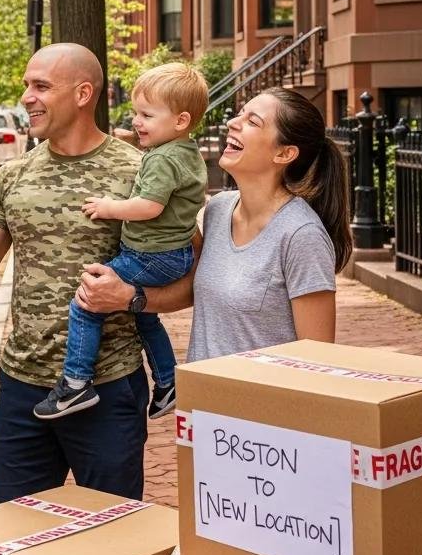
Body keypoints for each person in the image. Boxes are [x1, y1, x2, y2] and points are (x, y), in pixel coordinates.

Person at [0, 42, 159, 503]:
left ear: (83, 93)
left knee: (112, 538)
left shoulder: (140, 176)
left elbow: (187, 275)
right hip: (22, 390)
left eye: (41, 86)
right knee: (16, 542)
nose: (27, 97)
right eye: (26, 86)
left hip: (106, 387)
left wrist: (131, 298)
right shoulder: (13, 177)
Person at [75, 87, 351, 363]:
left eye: (252, 121)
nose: (233, 122)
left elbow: (318, 359)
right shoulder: (218, 209)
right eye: (240, 113)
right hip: (201, 400)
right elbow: (194, 288)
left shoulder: (302, 236)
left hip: (260, 404)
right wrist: (130, 297)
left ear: (284, 154)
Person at [33, 62, 208, 422]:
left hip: (151, 256)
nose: (137, 122)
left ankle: (76, 382)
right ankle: (168, 382)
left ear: (180, 121)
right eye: (136, 114)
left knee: (87, 300)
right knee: (145, 318)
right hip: (171, 254)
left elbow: (149, 205)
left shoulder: (162, 159)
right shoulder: (184, 151)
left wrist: (110, 207)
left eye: (146, 115)